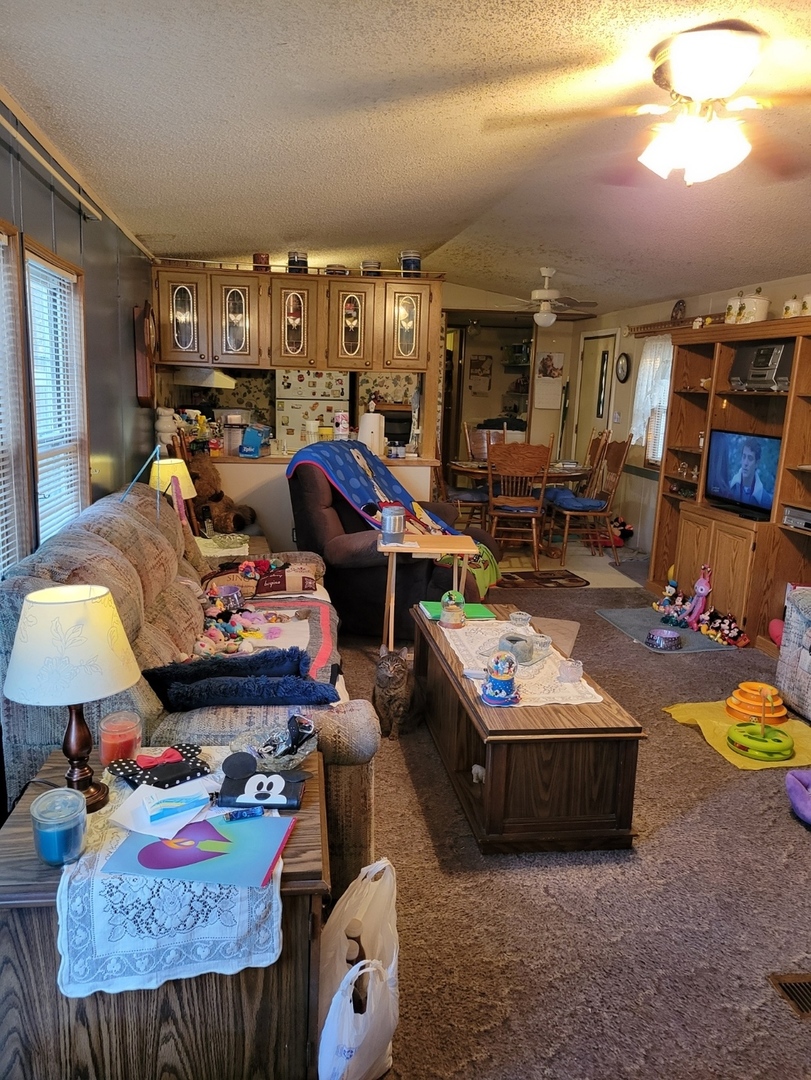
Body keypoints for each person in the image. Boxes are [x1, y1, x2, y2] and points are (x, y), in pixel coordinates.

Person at [725, 437, 771, 508]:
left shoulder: (764, 499)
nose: (745, 463)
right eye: (744, 457)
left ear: (757, 463)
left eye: (750, 458)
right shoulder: (728, 487)